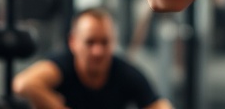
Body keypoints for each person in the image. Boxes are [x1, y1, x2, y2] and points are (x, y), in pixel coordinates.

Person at [11, 7, 172, 109]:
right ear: (73, 42)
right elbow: (23, 84)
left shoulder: (125, 73)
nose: (98, 51)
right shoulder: (63, 64)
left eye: (104, 42)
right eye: (90, 42)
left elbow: (161, 105)